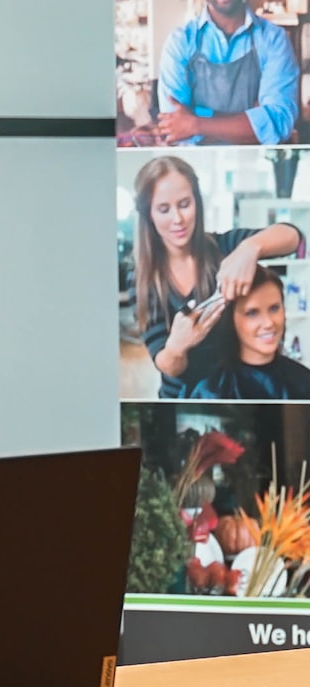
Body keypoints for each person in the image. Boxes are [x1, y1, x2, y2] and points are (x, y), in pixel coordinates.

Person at [133, 155, 302, 398]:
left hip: (236, 389)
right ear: (149, 215)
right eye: (163, 209)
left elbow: (294, 238)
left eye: (184, 204)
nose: (177, 219)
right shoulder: (143, 277)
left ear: (197, 204)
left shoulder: (224, 247)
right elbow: (168, 364)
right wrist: (178, 346)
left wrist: (250, 248)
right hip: (183, 396)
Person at [156, 0, 298, 146]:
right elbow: (174, 128)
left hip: (258, 164)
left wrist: (195, 124)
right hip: (196, 164)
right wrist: (253, 121)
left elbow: (278, 123)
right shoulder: (181, 41)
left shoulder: (274, 39)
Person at [188, 265, 310, 398]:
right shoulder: (210, 391)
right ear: (231, 319)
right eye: (252, 313)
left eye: (274, 308)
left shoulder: (304, 382)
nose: (268, 323)